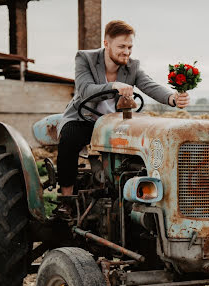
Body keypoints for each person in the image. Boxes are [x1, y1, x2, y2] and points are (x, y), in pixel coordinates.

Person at [56, 20, 190, 208]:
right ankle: (66, 200)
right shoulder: (85, 59)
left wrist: (172, 98)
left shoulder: (132, 66)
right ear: (106, 44)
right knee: (69, 138)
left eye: (129, 47)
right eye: (121, 46)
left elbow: (149, 85)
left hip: (116, 124)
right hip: (85, 120)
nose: (126, 52)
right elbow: (85, 89)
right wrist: (113, 86)